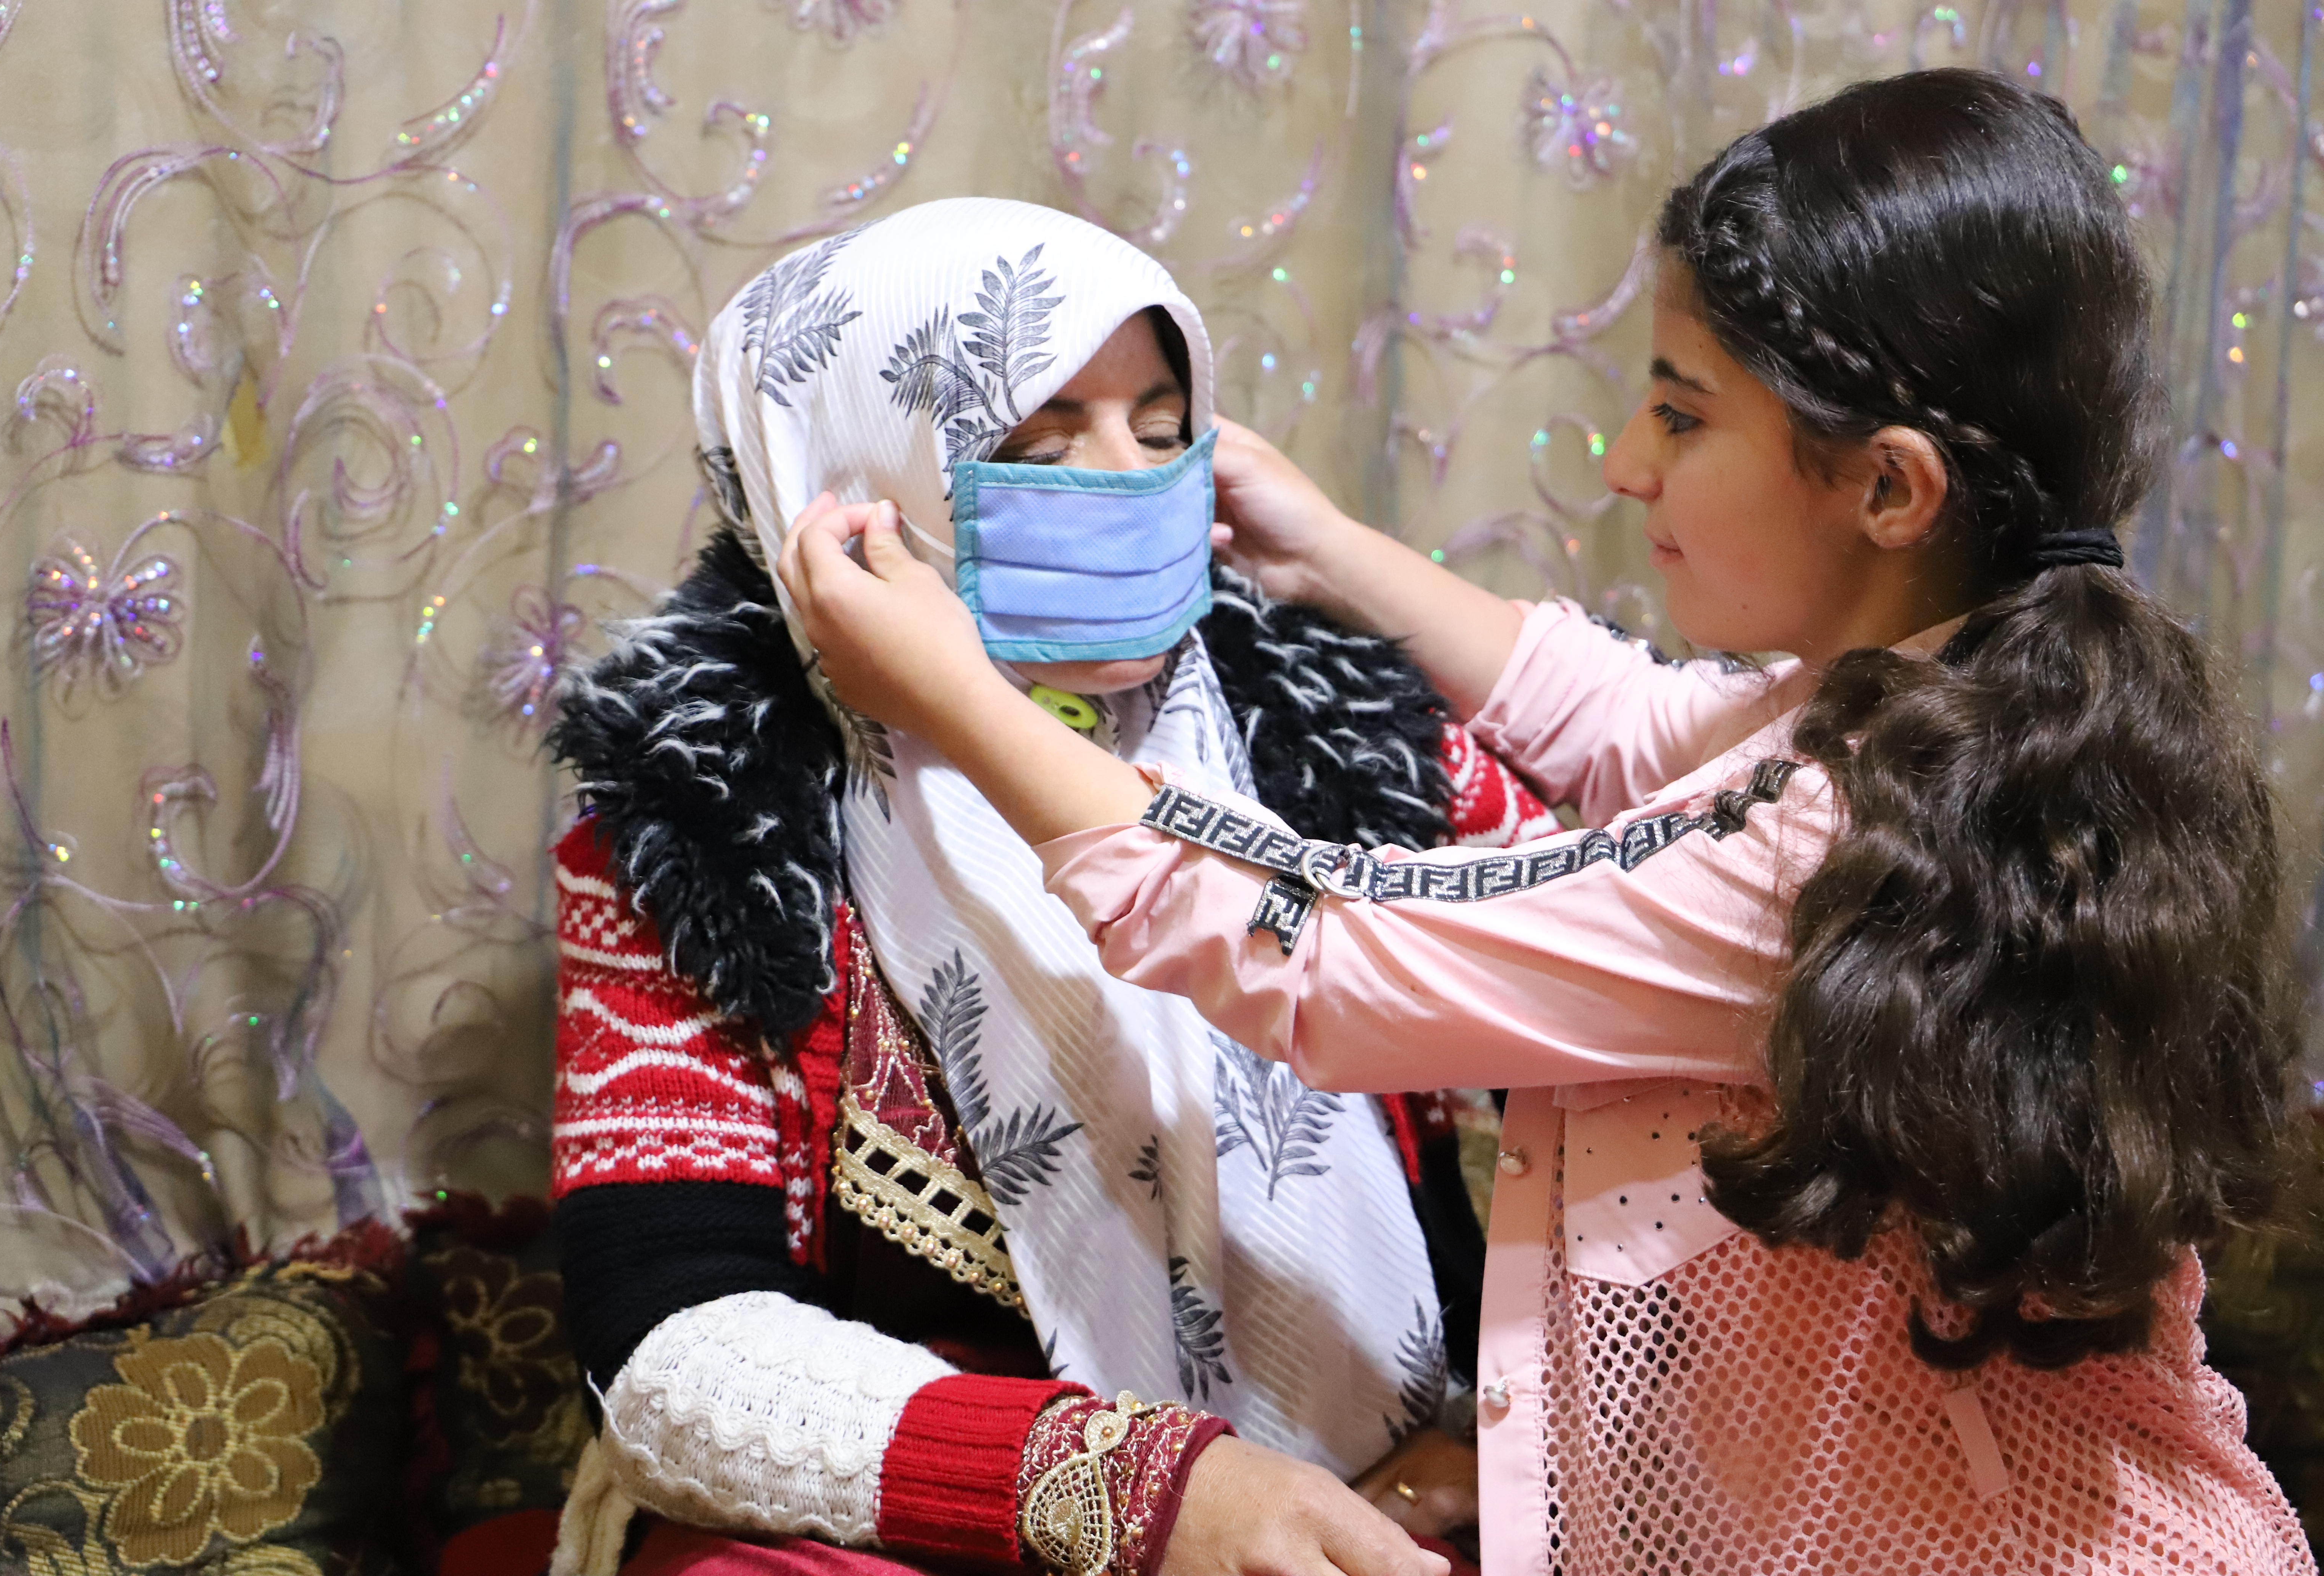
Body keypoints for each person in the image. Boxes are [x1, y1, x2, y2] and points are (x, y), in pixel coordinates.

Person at [774, 73, 2317, 1573]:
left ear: (1891, 490)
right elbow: (1629, 723)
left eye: (1680, 413)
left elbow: (1318, 949)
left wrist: (962, 698)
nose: (1629, 464)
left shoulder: (1842, 843)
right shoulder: (1954, 699)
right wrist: (1338, 551)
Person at [543, 196, 1555, 1576]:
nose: (1124, 480)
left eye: (1158, 427)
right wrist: (1135, 1495)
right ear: (859, 469)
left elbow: (1641, 1095)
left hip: (1380, 1499)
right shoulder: (708, 820)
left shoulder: (1357, 748)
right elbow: (674, 1342)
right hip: (959, 1518)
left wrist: (1521, 1433)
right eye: (1036, 441)